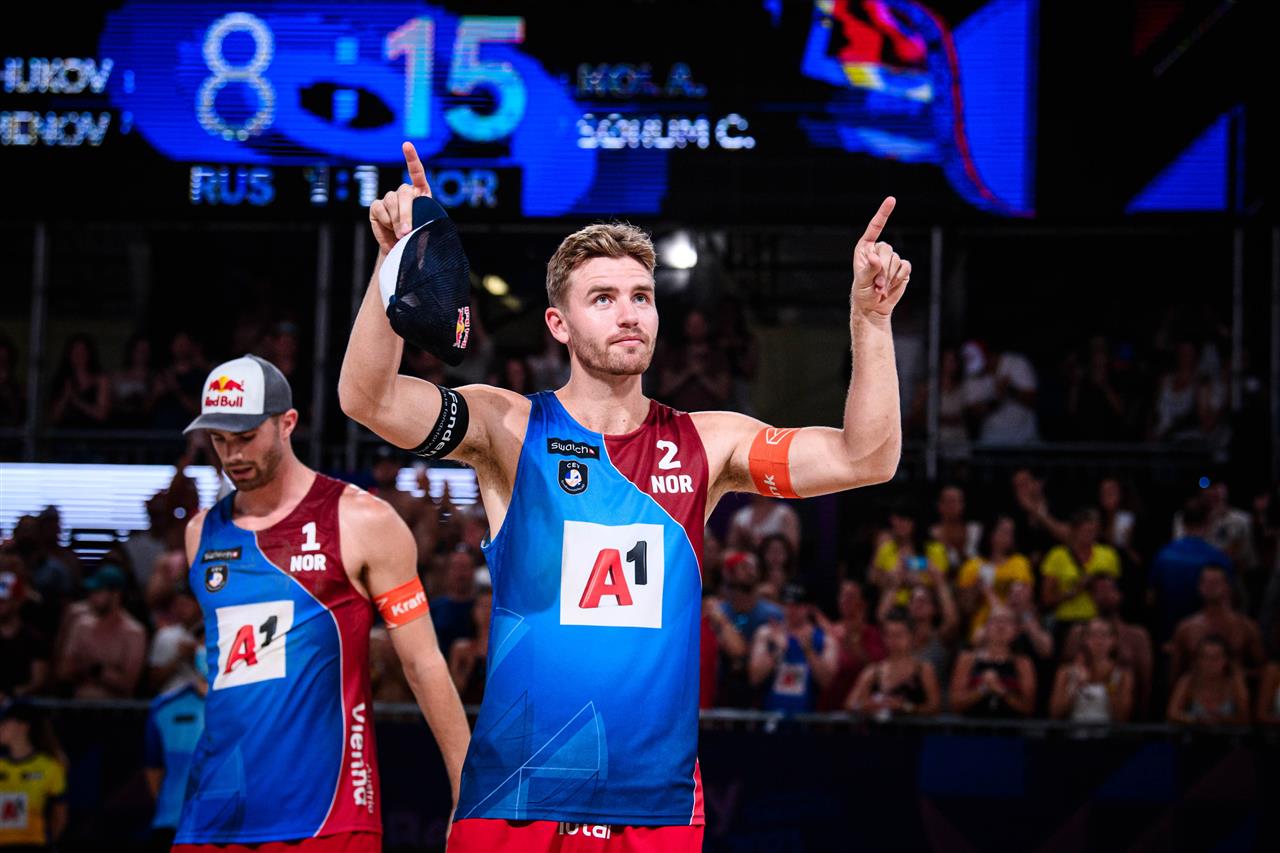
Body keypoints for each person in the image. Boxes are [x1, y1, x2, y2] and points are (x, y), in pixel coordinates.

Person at [339, 143, 909, 849]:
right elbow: (366, 399)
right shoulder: (507, 426)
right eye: (603, 299)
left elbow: (867, 457)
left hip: (655, 806)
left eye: (641, 296)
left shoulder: (708, 442)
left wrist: (870, 323)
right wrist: (393, 262)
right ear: (559, 324)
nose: (629, 313)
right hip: (516, 798)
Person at [171, 354, 469, 852]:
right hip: (214, 811)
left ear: (287, 423)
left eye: (246, 437)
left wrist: (467, 786)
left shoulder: (360, 520)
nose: (232, 454)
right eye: (219, 440)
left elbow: (423, 663)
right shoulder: (201, 533)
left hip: (327, 816)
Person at [1061, 575, 1153, 718]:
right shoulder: (1077, 633)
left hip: (1122, 710)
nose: (1104, 595)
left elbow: (1145, 680)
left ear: (1120, 594)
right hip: (1078, 707)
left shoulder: (1137, 635)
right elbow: (1066, 672)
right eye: (1098, 591)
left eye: (1109, 589)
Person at [56, 564, 146, 700]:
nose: (91, 598)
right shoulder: (81, 626)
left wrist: (95, 670)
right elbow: (64, 671)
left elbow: (127, 684)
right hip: (77, 705)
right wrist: (106, 673)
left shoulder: (133, 633)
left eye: (97, 592)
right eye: (91, 592)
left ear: (116, 595)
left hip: (116, 709)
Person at [1150, 496, 1234, 642]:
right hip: (1204, 640)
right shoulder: (1219, 559)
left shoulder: (1163, 555)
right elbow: (1229, 602)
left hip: (1170, 636)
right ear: (1208, 522)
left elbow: (1151, 598)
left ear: (1182, 523)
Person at [1167, 565, 1265, 683]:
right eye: (1206, 582)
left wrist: (1240, 674)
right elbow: (1174, 674)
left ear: (1227, 586)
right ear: (1199, 587)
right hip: (1196, 690)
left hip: (1235, 689)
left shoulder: (1245, 626)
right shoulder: (1185, 628)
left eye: (1216, 582)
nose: (1210, 586)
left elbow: (1264, 669)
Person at [749, 585, 836, 714]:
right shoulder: (766, 633)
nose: (791, 610)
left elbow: (826, 682)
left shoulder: (825, 639)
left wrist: (809, 652)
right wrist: (777, 651)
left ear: (808, 608)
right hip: (771, 716)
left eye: (797, 606)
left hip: (807, 717)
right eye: (787, 605)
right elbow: (755, 677)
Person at [1038, 509, 1121, 638]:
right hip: (1067, 620)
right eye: (1085, 531)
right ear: (1074, 531)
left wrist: (1101, 591)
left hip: (1099, 620)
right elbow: (1047, 598)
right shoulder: (1057, 555)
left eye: (1093, 531)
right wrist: (1074, 590)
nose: (1089, 535)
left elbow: (1116, 593)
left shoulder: (1108, 555)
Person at [144, 679, 206, 850]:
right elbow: (153, 768)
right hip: (172, 825)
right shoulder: (164, 707)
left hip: (228, 828)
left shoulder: (246, 703)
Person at [955, 515, 1033, 643]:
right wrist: (976, 589)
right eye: (1004, 531)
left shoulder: (1020, 562)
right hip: (982, 627)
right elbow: (965, 608)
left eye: (1011, 532)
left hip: (1014, 626)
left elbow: (1026, 601)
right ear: (991, 534)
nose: (1009, 536)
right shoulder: (972, 566)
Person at [846, 612, 940, 719]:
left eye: (899, 635)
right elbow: (850, 704)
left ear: (911, 637)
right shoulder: (873, 671)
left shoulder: (923, 669)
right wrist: (865, 706)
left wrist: (904, 707)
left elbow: (934, 707)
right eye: (889, 635)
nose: (893, 641)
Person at [0, 701, 66, 850]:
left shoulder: (49, 767)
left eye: (4, 722)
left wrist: (49, 843)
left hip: (33, 844)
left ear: (22, 726)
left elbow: (60, 814)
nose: (0, 728)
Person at [948, 607, 1036, 718]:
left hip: (1010, 726)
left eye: (1007, 621)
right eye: (995, 621)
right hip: (972, 726)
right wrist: (983, 689)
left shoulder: (1023, 663)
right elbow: (955, 704)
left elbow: (1028, 708)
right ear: (985, 628)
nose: (1001, 626)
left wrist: (1001, 691)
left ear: (1016, 631)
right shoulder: (967, 659)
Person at [1049, 618, 1134, 723]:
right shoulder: (1066, 671)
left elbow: (1122, 717)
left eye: (1104, 634)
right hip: (1075, 731)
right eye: (1093, 635)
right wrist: (1075, 686)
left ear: (1114, 639)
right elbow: (1055, 714)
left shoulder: (1123, 674)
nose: (1099, 641)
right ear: (1084, 639)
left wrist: (1111, 683)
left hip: (1109, 732)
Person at [819, 580, 884, 711]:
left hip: (858, 712)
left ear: (863, 603)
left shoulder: (873, 634)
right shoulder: (828, 632)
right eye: (842, 595)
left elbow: (876, 669)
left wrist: (851, 644)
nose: (845, 599)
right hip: (827, 709)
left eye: (851, 596)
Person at [1166, 635, 1250, 726]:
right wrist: (1194, 719)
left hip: (1228, 733)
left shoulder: (1234, 682)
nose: (1210, 663)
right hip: (1194, 733)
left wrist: (1223, 720)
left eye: (1216, 657)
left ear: (1226, 660)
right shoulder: (1188, 681)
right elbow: (1172, 714)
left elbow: (1245, 716)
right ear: (1198, 660)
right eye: (1205, 657)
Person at [0, 571, 49, 702]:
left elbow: (38, 681)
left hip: (23, 706)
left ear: (17, 601)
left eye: (3, 601)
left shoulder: (33, 639)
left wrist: (10, 694)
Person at [47, 333, 110, 428]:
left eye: (82, 351)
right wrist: (65, 397)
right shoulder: (61, 380)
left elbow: (101, 415)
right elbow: (53, 418)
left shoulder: (101, 380)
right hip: (65, 432)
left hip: (92, 431)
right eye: (75, 351)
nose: (79, 355)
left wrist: (76, 400)